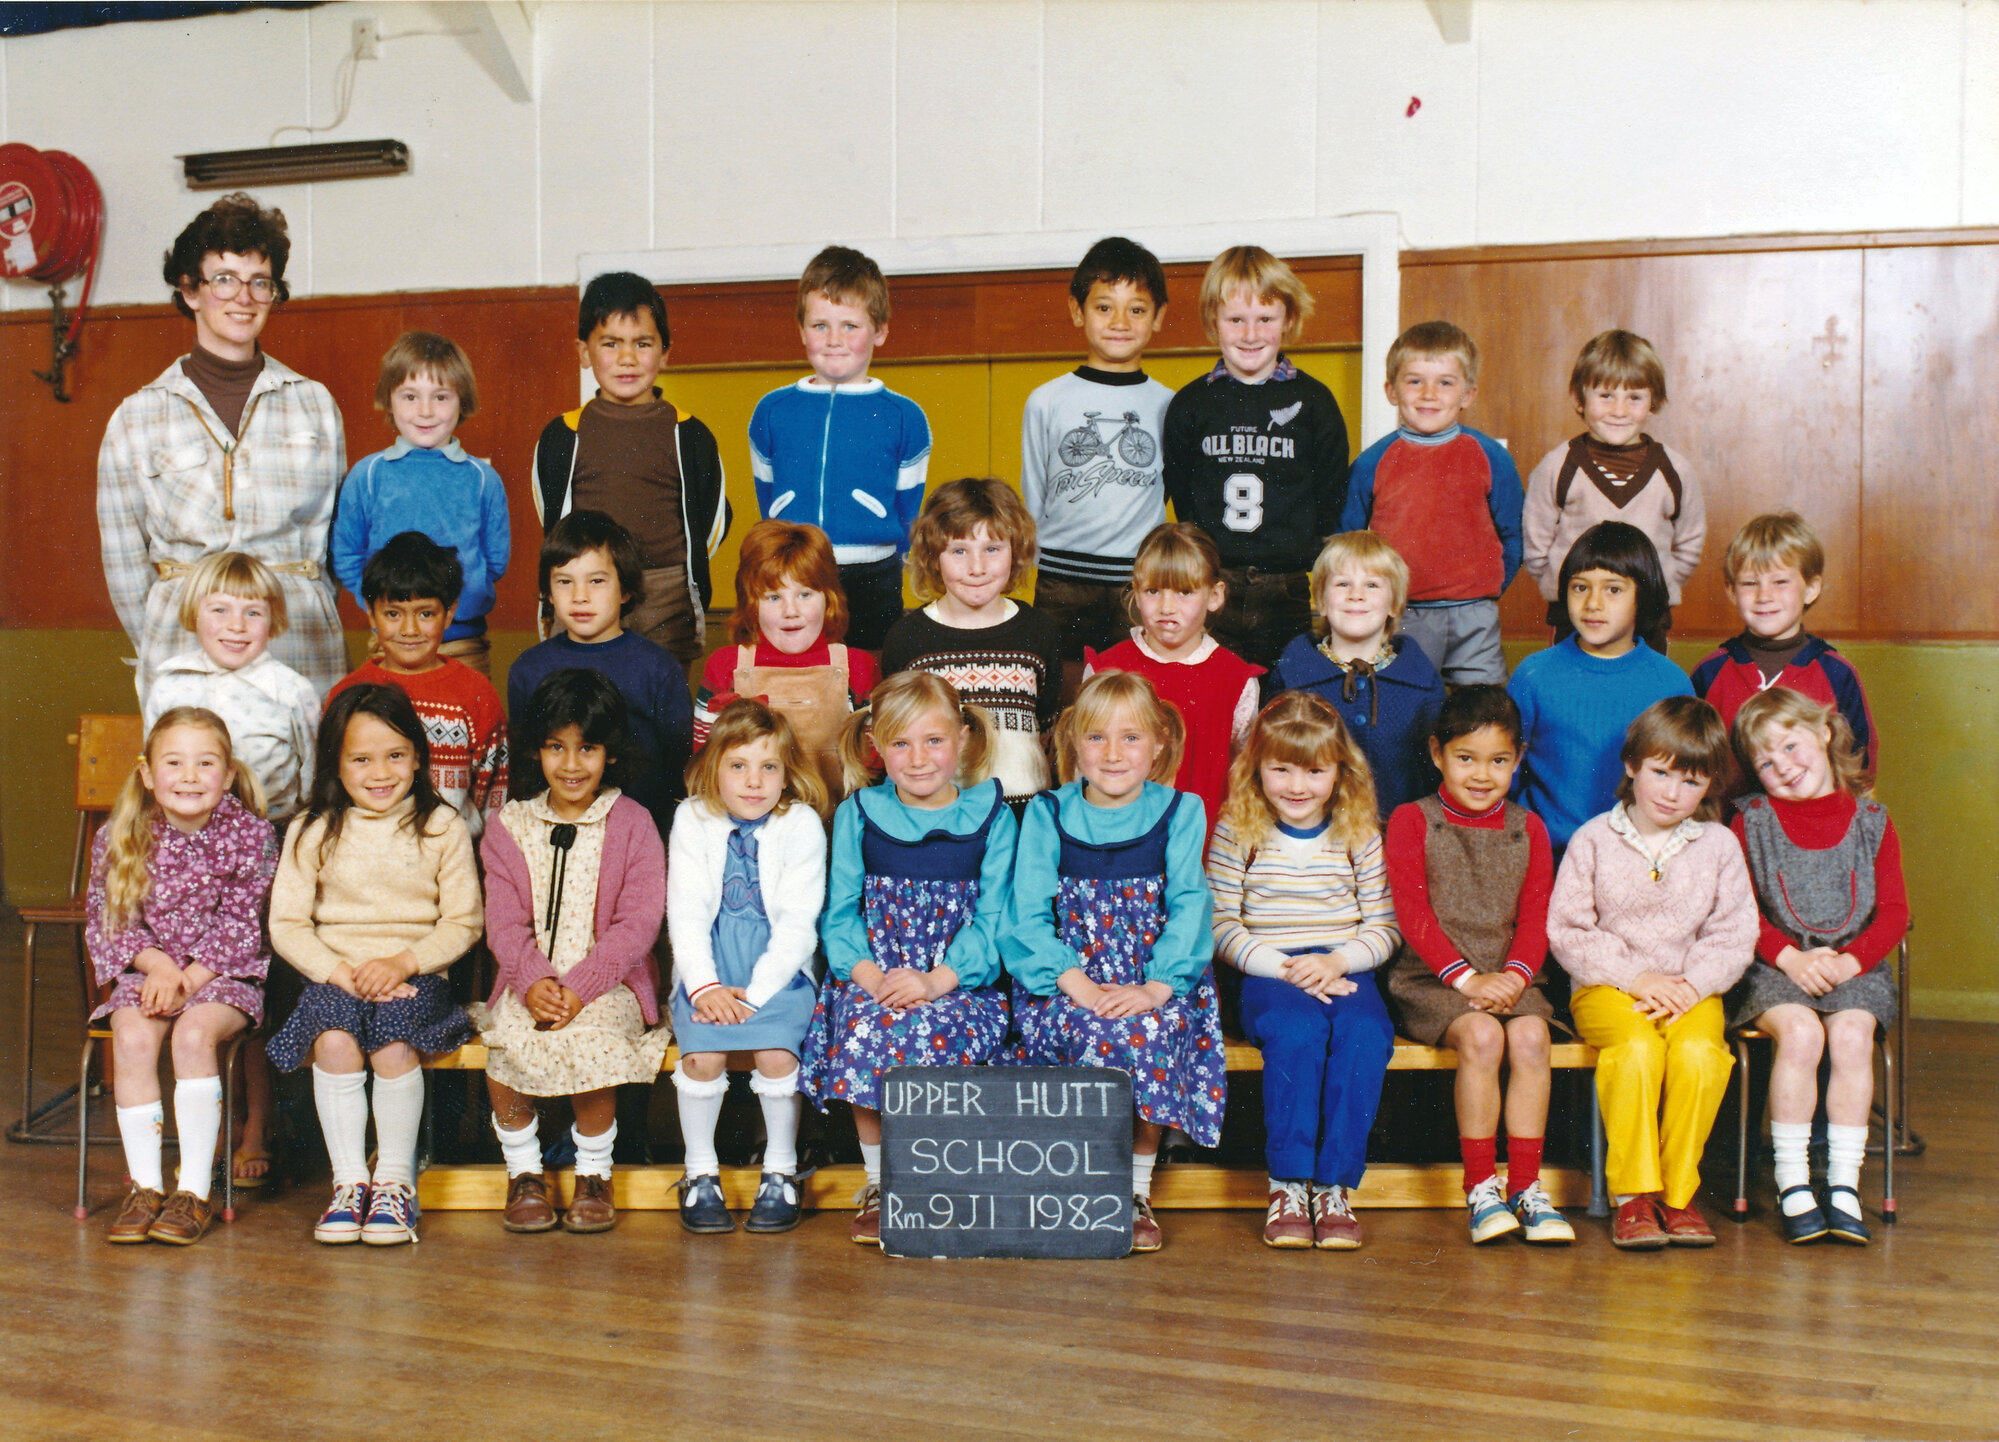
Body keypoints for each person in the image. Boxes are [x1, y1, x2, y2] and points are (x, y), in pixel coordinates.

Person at [1001, 671, 1225, 1254]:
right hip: (1067, 982)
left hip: (1155, 984)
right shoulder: (1049, 813)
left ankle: (1132, 1190)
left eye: (1131, 738)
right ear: (1074, 746)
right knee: (1090, 1035)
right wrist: (1074, 982)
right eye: (1096, 738)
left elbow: (1190, 906)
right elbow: (1025, 914)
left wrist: (1155, 988)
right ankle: (1079, 1181)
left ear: (1158, 745)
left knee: (1143, 1035)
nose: (1113, 753)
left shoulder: (1181, 810)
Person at [99, 191, 347, 700]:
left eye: (261, 282)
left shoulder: (314, 404)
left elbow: (333, 543)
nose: (244, 297)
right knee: (196, 782)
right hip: (181, 645)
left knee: (301, 780)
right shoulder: (136, 416)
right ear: (190, 290)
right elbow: (124, 564)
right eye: (225, 279)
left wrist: (300, 602)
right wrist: (166, 631)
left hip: (300, 642)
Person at [801, 673, 1016, 1247]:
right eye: (899, 744)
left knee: (941, 1034)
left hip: (958, 981)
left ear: (964, 739)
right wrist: (870, 977)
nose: (917, 759)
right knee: (872, 1032)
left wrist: (937, 980)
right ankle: (879, 1182)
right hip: (874, 978)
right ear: (876, 743)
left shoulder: (993, 815)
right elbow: (840, 913)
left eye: (933, 741)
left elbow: (994, 921)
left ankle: (934, 1179)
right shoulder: (859, 813)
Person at [266, 685, 481, 1247]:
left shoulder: (441, 827)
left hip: (415, 979)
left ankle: (393, 1183)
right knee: (335, 1042)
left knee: (391, 1046)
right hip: (336, 975)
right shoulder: (312, 828)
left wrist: (403, 962)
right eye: (361, 759)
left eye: (395, 756)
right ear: (336, 763)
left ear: (417, 756)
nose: (380, 772)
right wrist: (341, 971)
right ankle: (348, 1183)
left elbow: (463, 923)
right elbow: (287, 925)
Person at [1549, 697, 1757, 1250]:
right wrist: (1638, 978)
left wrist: (1690, 985)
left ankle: (1677, 1196)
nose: (1670, 793)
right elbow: (1569, 931)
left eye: (1689, 782)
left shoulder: (1719, 845)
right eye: (1660, 773)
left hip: (1692, 990)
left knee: (1698, 1057)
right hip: (1608, 988)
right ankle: (1635, 1197)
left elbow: (1734, 934)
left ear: (1709, 785)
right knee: (1638, 1052)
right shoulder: (1592, 839)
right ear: (1632, 766)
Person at [475, 670, 670, 1238]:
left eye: (587, 747)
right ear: (538, 751)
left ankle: (593, 1172)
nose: (571, 764)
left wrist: (580, 988)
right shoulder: (508, 825)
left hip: (608, 982)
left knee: (593, 1039)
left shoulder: (631, 823)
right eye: (557, 747)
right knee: (505, 1036)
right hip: (526, 981)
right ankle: (525, 1172)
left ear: (609, 753)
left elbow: (638, 924)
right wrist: (533, 978)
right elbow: (503, 922)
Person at [1206, 692, 1398, 1251]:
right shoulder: (1238, 826)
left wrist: (1337, 961)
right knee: (1297, 1033)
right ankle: (1289, 1182)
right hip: (1270, 971)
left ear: (1340, 772)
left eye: (1314, 771)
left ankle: (1334, 1185)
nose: (1296, 786)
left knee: (1365, 1033)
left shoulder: (1357, 829)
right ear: (1256, 768)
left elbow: (1384, 925)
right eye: (1280, 769)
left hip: (1343, 965)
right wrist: (1286, 969)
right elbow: (1221, 925)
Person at [1382, 687, 1571, 1246]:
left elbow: (1536, 920)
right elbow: (1412, 915)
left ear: (1519, 758)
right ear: (1438, 754)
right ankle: (1481, 1186)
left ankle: (1528, 1187)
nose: (1482, 774)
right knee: (1485, 1038)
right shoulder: (1413, 821)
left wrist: (1513, 977)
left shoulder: (1528, 827)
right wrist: (1467, 980)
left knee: (1533, 1038)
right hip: (1433, 979)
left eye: (1499, 760)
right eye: (1466, 758)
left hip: (1513, 978)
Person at [86, 708, 277, 1246]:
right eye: (174, 763)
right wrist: (159, 967)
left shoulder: (251, 834)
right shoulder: (121, 835)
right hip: (151, 969)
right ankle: (145, 1187)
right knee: (130, 1036)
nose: (189, 776)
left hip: (224, 973)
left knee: (193, 1035)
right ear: (148, 774)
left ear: (229, 771)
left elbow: (243, 924)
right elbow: (110, 919)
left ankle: (193, 1191)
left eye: (205, 763)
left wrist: (187, 980)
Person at [1727, 689, 1907, 1245]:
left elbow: (1895, 911)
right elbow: (1740, 910)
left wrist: (1851, 961)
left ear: (1825, 733)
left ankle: (1844, 1184)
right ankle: (1793, 1182)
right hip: (1775, 966)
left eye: (1790, 743)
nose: (1783, 764)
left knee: (1852, 1036)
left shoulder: (1873, 820)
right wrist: (1789, 958)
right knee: (1802, 1035)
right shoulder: (1750, 821)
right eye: (1765, 760)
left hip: (1857, 967)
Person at [667, 700, 829, 1237]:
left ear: (787, 775)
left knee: (778, 1055)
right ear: (713, 767)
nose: (754, 782)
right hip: (708, 966)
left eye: (769, 767)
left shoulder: (801, 823)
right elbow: (686, 912)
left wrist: (756, 996)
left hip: (778, 971)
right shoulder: (692, 817)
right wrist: (706, 986)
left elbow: (798, 925)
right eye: (738, 766)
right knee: (704, 1059)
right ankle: (700, 1174)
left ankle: (780, 1170)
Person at [1161, 245, 1350, 668]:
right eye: (1236, 320)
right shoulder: (1191, 404)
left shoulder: (1314, 401)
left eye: (1265, 319)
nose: (1250, 334)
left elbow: (1331, 495)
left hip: (1287, 584)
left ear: (1289, 320)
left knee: (1283, 704)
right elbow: (1182, 496)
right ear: (1214, 321)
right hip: (1212, 582)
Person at [531, 271, 729, 672]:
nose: (627, 358)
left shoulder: (689, 433)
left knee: (658, 705)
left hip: (665, 593)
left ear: (665, 353)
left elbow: (712, 521)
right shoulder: (563, 433)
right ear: (584, 353)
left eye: (642, 344)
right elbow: (550, 514)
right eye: (610, 344)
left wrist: (675, 571)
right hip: (586, 589)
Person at [749, 245, 931, 652]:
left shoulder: (904, 416)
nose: (834, 340)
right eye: (819, 326)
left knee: (870, 683)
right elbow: (767, 495)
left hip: (872, 577)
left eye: (850, 325)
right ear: (801, 330)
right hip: (794, 577)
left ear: (880, 331)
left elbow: (909, 509)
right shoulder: (772, 410)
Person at [1021, 236, 1175, 671]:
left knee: (1131, 699)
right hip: (1060, 582)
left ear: (1159, 317)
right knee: (1060, 695)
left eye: (1137, 309)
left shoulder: (1168, 405)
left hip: (1136, 584)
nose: (1120, 321)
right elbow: (1034, 491)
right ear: (1077, 311)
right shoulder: (1046, 400)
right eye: (1104, 306)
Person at [1339, 321, 1523, 685]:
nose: (1428, 394)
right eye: (1414, 381)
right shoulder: (1373, 462)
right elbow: (1349, 543)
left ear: (1468, 394)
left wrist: (1487, 587)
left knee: (1482, 707)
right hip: (1403, 614)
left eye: (1444, 382)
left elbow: (1514, 534)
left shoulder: (1488, 457)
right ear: (1391, 391)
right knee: (1406, 705)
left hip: (1475, 614)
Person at [330, 331, 509, 678]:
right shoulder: (368, 475)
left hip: (463, 643)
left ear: (462, 400)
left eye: (441, 397)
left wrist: (462, 600)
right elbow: (348, 556)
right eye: (410, 396)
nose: (425, 411)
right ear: (389, 400)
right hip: (390, 644)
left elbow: (495, 560)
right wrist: (382, 607)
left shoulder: (482, 478)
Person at [508, 511, 691, 846]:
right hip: (552, 840)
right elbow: (524, 771)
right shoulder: (528, 669)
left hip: (640, 840)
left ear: (625, 590)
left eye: (596, 581)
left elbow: (678, 763)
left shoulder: (658, 668)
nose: (580, 596)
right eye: (564, 581)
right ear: (548, 592)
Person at [1509, 522, 1692, 855]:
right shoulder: (1533, 675)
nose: (1593, 603)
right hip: (1546, 856)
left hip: (1638, 859)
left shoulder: (1671, 682)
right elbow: (1506, 772)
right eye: (1580, 588)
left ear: (1643, 596)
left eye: (1613, 589)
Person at [879, 478, 1062, 812]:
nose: (977, 568)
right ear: (934, 557)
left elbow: (1048, 732)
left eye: (992, 549)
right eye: (959, 551)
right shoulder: (906, 639)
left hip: (1025, 815)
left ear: (1016, 551)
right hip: (940, 816)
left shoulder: (1040, 632)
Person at [1522, 330, 1704, 656]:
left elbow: (1689, 542)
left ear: (1654, 402)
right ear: (1579, 399)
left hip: (1647, 618)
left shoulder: (1674, 470)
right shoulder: (1557, 466)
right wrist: (1562, 590)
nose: (1619, 410)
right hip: (1575, 616)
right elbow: (1536, 546)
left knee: (1644, 701)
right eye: (1606, 396)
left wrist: (1659, 585)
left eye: (1634, 397)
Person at [1085, 521, 1262, 835]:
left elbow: (1245, 775)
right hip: (1117, 843)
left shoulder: (1236, 680)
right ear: (1136, 593)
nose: (1166, 607)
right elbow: (1082, 770)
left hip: (1205, 852)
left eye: (1184, 592)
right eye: (1153, 591)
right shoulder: (1106, 669)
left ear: (1214, 595)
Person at [329, 532, 507, 838]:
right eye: (393, 614)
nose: (409, 630)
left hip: (455, 862)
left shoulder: (476, 693)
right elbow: (329, 791)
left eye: (425, 614)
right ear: (371, 612)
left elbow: (493, 798)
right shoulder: (348, 693)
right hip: (363, 862)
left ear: (449, 613)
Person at [693, 519, 880, 804]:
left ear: (828, 599)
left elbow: (876, 763)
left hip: (837, 823)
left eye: (805, 594)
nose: (790, 611)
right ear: (751, 603)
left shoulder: (859, 666)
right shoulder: (725, 665)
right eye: (773, 597)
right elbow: (704, 762)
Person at [1691, 510, 1878, 793]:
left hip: (1813, 834)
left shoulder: (1837, 673)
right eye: (1750, 583)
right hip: (1727, 833)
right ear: (1731, 591)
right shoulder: (1710, 672)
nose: (1764, 596)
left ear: (1811, 588)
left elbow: (1859, 768)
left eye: (1780, 582)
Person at [1266, 531, 1444, 820]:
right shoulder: (1292, 675)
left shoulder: (1422, 683)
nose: (1356, 594)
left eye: (1372, 585)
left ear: (1394, 605)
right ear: (1321, 601)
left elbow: (1435, 778)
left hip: (1396, 839)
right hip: (1311, 839)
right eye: (1342, 583)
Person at [143, 549, 319, 823]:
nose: (236, 625)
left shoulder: (293, 692)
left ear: (273, 620)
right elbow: (155, 770)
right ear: (194, 613)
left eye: (253, 612)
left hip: (272, 831)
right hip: (183, 832)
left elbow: (313, 774)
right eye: (219, 610)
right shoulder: (169, 685)